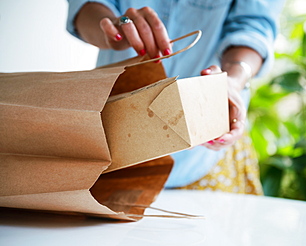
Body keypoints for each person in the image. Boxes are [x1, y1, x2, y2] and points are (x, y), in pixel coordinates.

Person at [67, 0, 285, 195]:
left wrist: (233, 81)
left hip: (202, 165)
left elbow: (254, 25)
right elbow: (85, 5)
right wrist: (113, 27)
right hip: (113, 152)